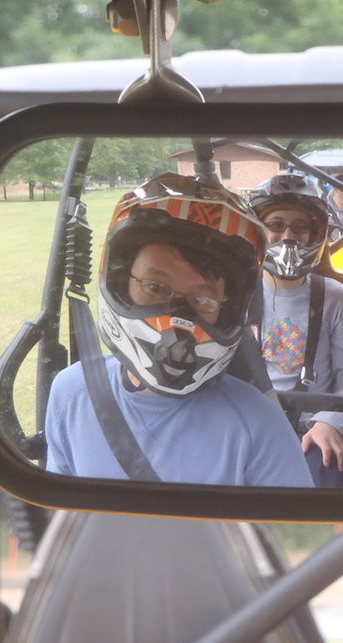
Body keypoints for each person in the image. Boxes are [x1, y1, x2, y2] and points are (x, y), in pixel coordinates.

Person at [44, 173, 313, 487]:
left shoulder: (260, 425)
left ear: (228, 310)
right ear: (119, 283)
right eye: (156, 287)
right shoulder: (70, 394)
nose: (175, 322)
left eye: (202, 299)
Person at [249, 173, 343, 487]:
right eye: (275, 225)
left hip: (313, 427)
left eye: (300, 227)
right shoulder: (239, 294)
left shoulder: (334, 296)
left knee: (323, 470)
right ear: (259, 231)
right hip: (251, 423)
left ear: (315, 235)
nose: (288, 236)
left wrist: (331, 422)